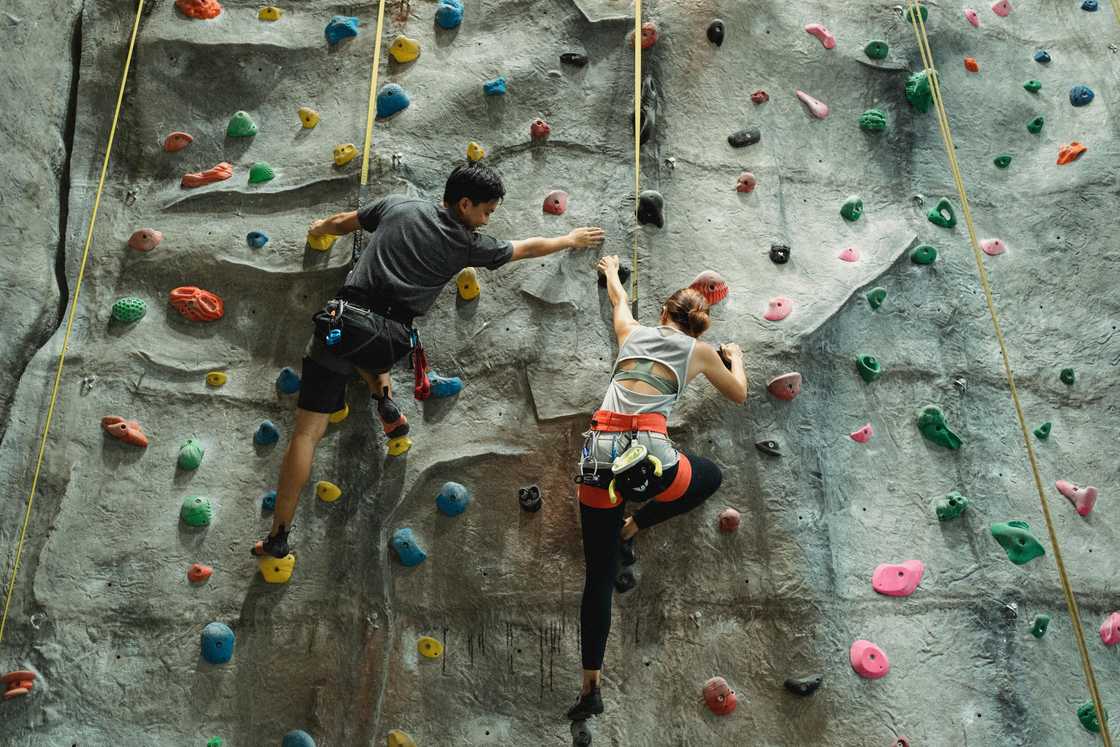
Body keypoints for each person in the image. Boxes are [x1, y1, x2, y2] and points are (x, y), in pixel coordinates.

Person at [252, 163, 605, 559]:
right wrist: (569, 238)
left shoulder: (398, 207)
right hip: (392, 340)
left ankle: (278, 535)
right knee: (377, 344)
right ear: (465, 203)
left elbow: (340, 222)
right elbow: (525, 248)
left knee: (306, 435)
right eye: (486, 212)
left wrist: (318, 229)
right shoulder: (468, 245)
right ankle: (383, 396)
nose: (487, 220)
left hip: (346, 325)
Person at [566, 255, 748, 721]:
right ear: (697, 327)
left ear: (664, 314)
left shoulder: (632, 333)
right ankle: (636, 526)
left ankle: (591, 686)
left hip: (601, 456)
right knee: (708, 477)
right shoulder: (702, 352)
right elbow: (739, 393)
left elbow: (619, 301)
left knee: (599, 578)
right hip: (654, 459)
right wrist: (737, 359)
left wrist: (609, 271)